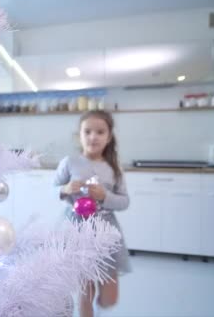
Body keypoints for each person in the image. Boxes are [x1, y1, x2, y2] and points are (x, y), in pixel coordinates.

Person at [54, 110, 131, 317]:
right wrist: (65, 189)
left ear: (109, 136)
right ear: (79, 135)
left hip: (106, 230)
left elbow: (124, 201)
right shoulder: (69, 162)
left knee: (109, 298)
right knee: (84, 290)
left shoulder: (114, 168)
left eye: (99, 132)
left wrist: (105, 196)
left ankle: (99, 305)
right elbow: (53, 189)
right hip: (77, 229)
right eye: (87, 131)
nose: (93, 137)